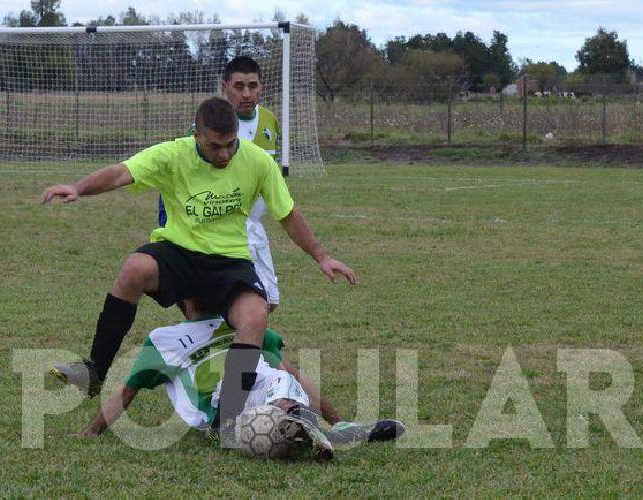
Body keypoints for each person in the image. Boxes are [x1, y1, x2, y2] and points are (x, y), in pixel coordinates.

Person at [40, 97, 357, 447]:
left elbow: (288, 213)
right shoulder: (173, 155)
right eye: (215, 146)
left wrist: (321, 257)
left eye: (231, 144)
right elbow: (121, 172)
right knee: (134, 268)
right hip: (180, 253)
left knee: (255, 318)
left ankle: (228, 423)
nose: (224, 154)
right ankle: (95, 370)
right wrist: (78, 188)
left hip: (229, 260)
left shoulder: (256, 161)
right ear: (196, 136)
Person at [75, 299, 405, 461]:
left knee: (278, 377)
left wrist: (337, 417)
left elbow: (290, 372)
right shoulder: (164, 339)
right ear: (182, 297)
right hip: (223, 412)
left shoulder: (244, 324)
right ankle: (306, 427)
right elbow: (128, 390)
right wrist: (92, 431)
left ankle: (322, 428)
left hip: (267, 392)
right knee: (258, 387)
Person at [158, 56, 285, 311]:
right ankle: (215, 348)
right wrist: (167, 224)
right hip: (214, 231)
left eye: (253, 85)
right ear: (224, 87)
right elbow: (174, 183)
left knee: (267, 303)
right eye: (239, 86)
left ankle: (242, 348)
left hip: (254, 229)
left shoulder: (270, 121)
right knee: (205, 306)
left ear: (261, 86)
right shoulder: (202, 129)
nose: (247, 93)